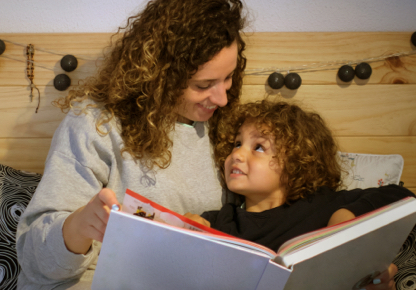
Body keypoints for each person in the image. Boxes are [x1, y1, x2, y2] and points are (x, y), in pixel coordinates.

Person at [16, 0, 246, 289]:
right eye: (203, 85)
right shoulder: (95, 123)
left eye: (229, 78)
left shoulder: (229, 131)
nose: (223, 98)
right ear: (161, 76)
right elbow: (34, 260)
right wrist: (80, 226)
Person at [185, 100, 416, 290]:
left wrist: (347, 215)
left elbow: (402, 197)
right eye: (237, 143)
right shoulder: (221, 221)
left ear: (296, 164)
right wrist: (188, 230)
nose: (237, 154)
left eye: (258, 147)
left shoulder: (322, 204)